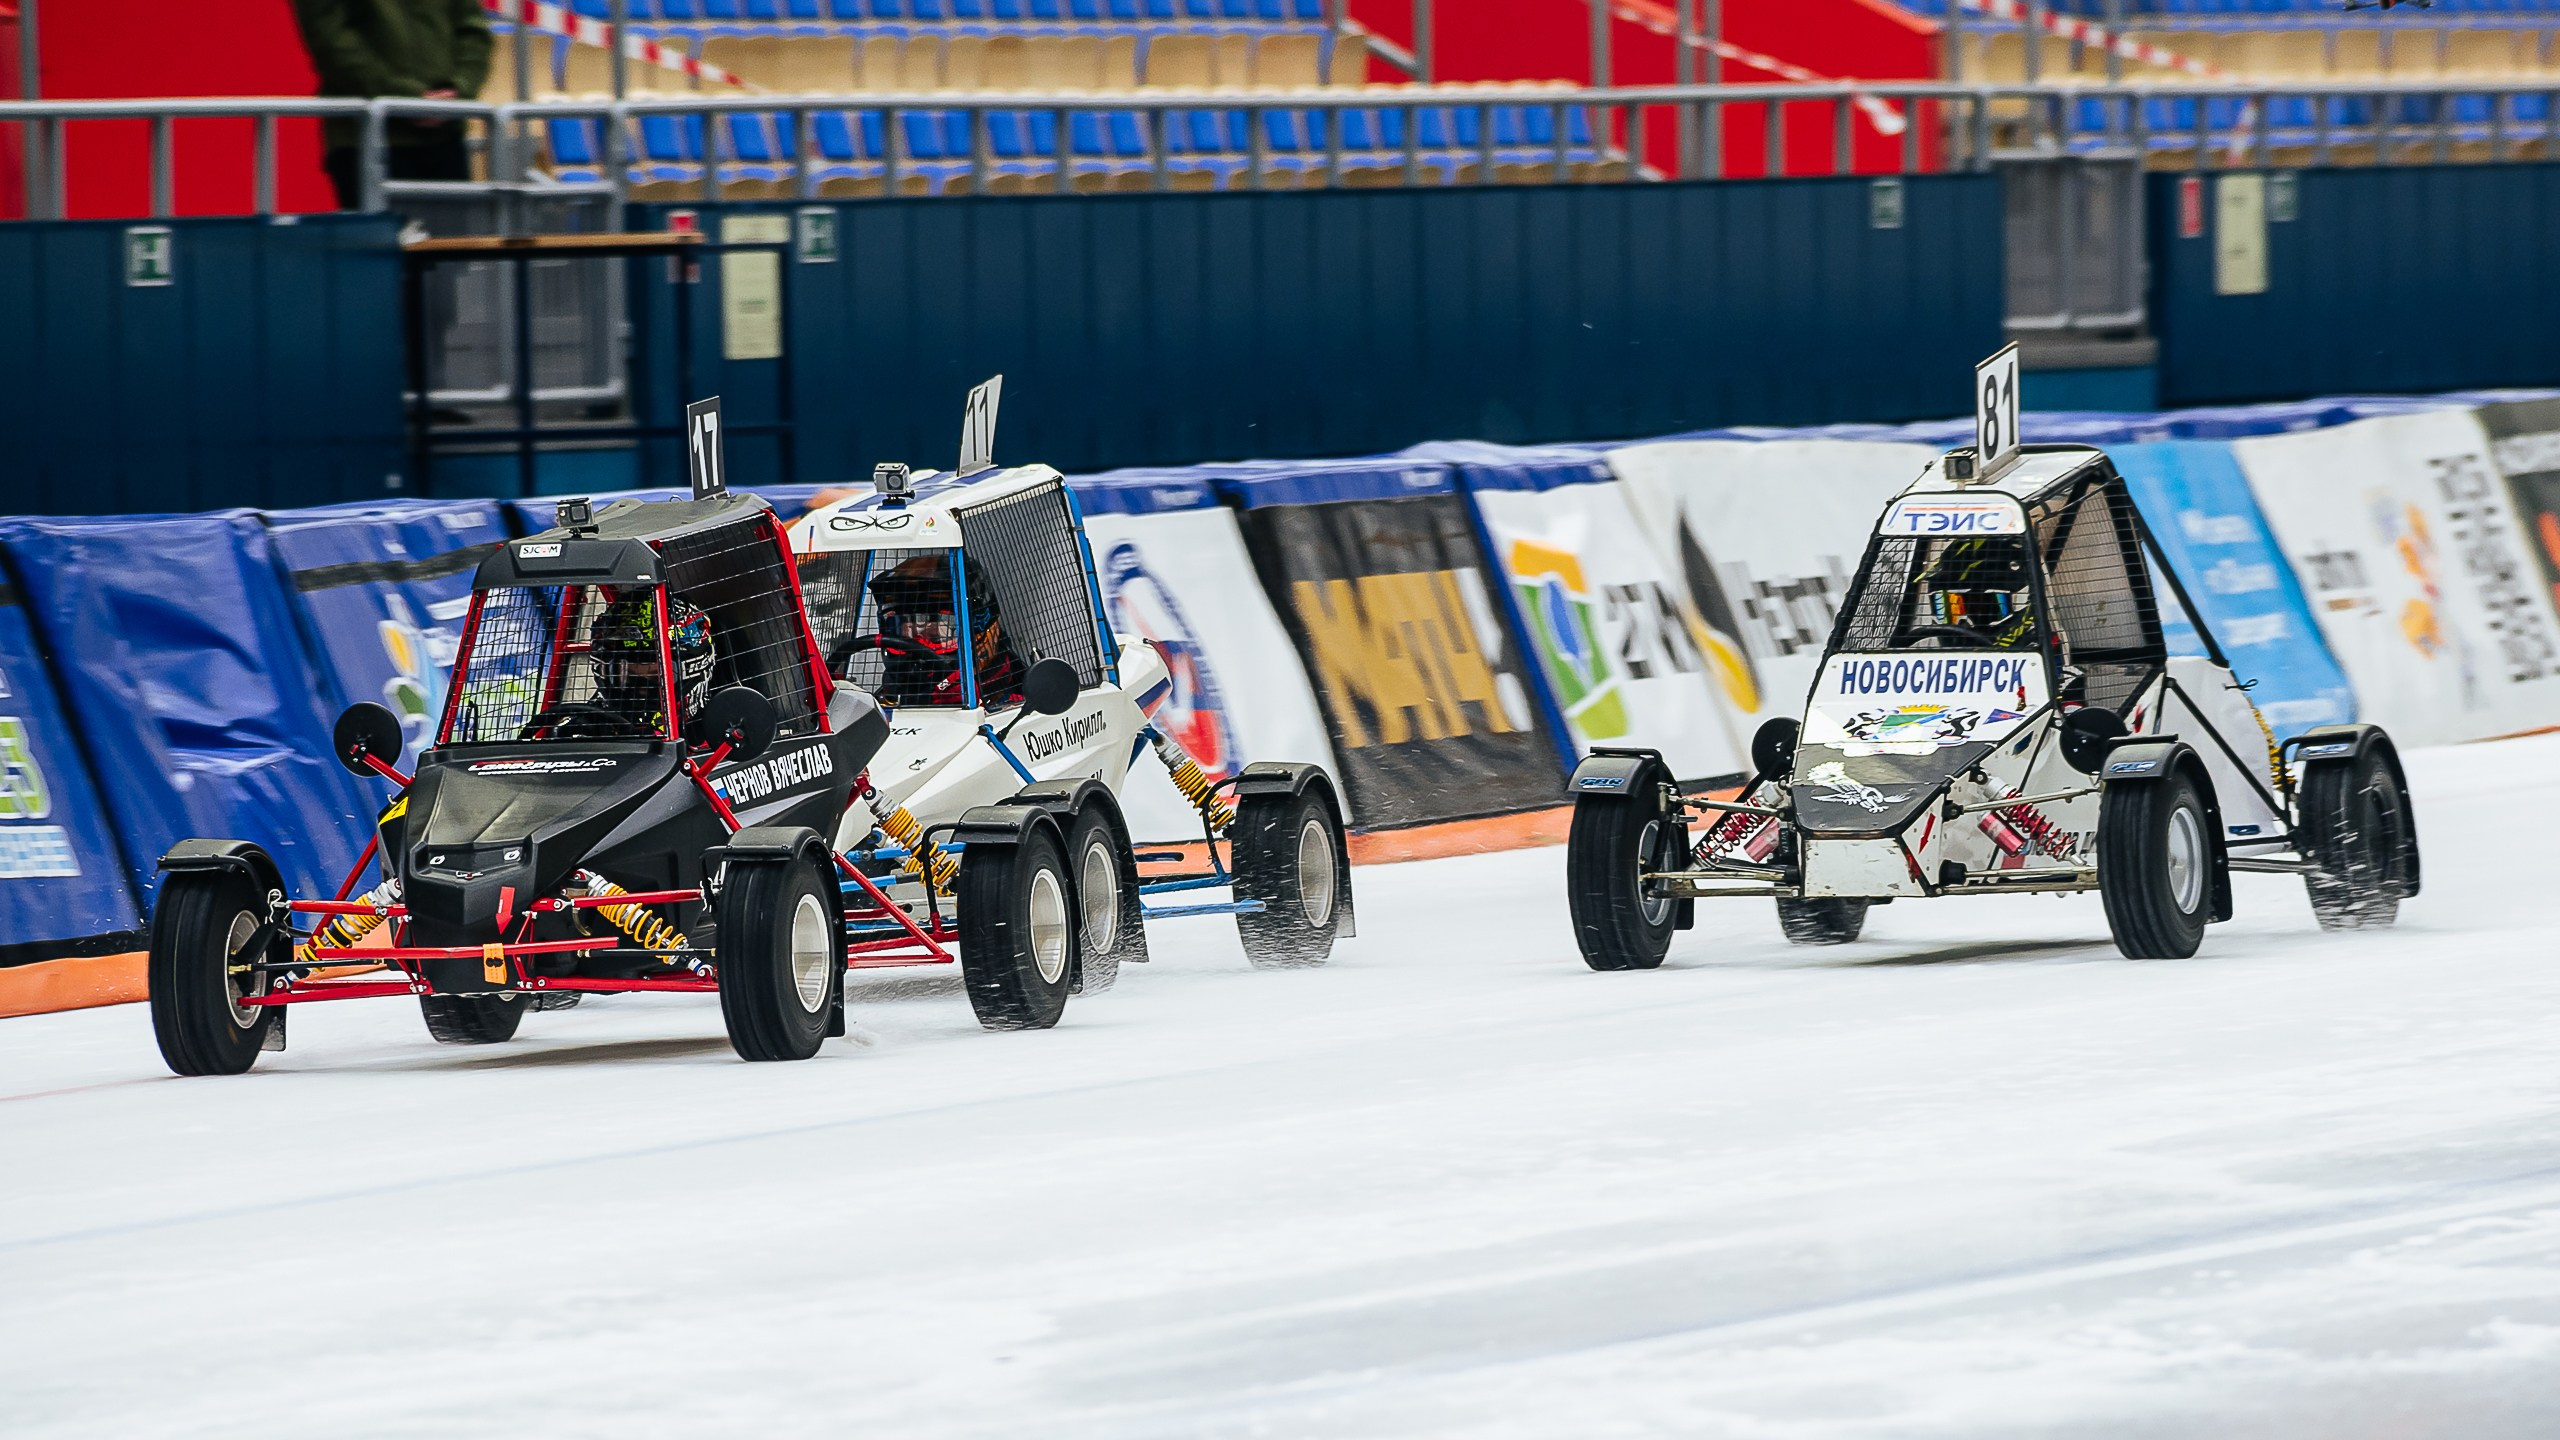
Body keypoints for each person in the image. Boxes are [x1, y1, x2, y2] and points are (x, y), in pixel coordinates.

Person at [292, 0, 493, 211]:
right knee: (378, 240)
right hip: (365, 136)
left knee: (452, 240)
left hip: (445, 134)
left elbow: (473, 30)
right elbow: (329, 37)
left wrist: (458, 90)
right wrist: (407, 97)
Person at [858, 555, 1027, 709]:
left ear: (982, 631)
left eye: (934, 638)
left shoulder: (1024, 708)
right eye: (901, 629)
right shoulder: (877, 710)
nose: (916, 649)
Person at [1908, 536, 2038, 650]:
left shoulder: (2040, 656)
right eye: (1950, 611)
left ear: (2022, 599)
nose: (1963, 624)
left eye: (1979, 610)